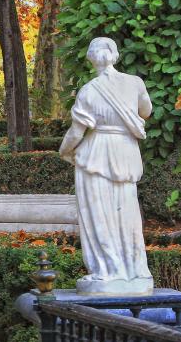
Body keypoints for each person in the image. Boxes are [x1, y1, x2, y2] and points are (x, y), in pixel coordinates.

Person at [59, 37, 153, 295]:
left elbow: (77, 132)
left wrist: (64, 151)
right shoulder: (135, 83)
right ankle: (135, 271)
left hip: (96, 153)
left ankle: (107, 271)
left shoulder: (89, 90)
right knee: (128, 213)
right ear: (115, 55)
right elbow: (146, 111)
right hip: (125, 152)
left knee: (98, 213)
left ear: (91, 58)